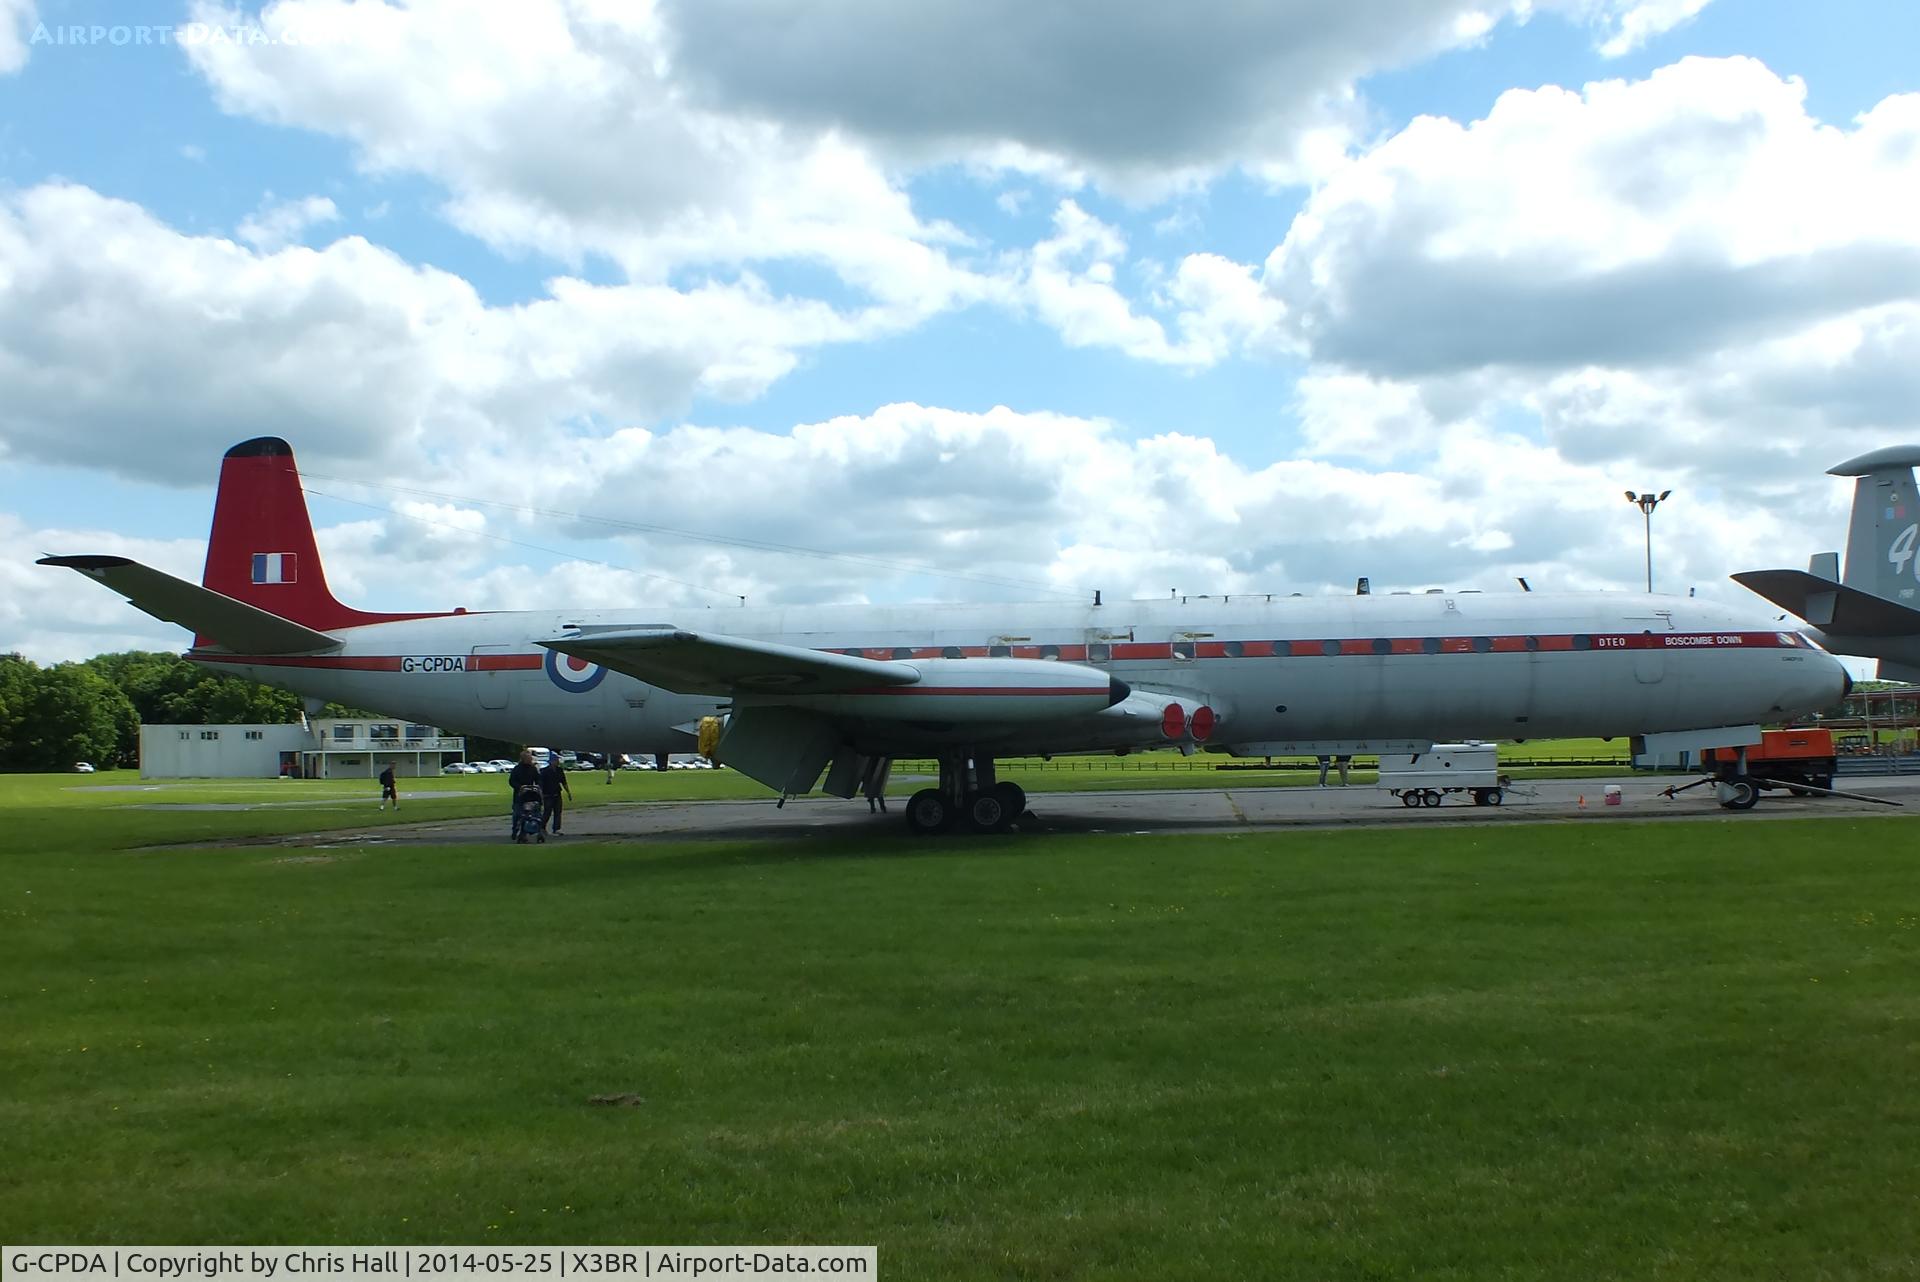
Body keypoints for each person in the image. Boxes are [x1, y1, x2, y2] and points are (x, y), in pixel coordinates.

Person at [539, 750, 574, 836]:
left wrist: (568, 792)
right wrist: (541, 796)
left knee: (558, 812)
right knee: (547, 812)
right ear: (551, 761)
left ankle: (556, 829)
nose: (558, 762)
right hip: (547, 795)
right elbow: (541, 785)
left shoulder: (559, 770)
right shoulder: (544, 771)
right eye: (556, 760)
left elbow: (563, 782)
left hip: (557, 793)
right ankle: (542, 827)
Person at [507, 748, 540, 834]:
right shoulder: (517, 769)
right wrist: (520, 787)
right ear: (524, 759)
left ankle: (527, 830)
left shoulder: (533, 769)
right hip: (520, 795)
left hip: (530, 795)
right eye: (529, 758)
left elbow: (538, 779)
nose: (531, 760)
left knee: (532, 814)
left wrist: (538, 786)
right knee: (517, 814)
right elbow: (512, 781)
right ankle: (515, 829)